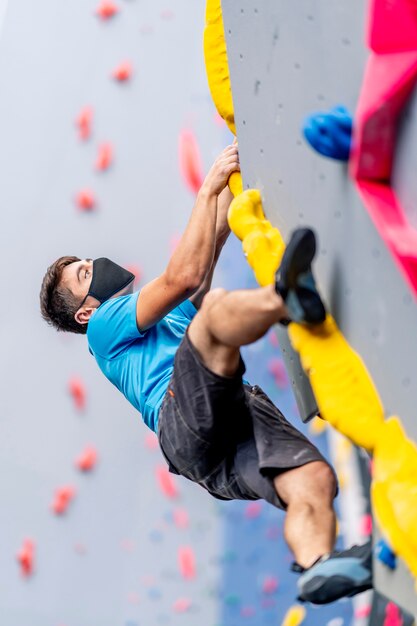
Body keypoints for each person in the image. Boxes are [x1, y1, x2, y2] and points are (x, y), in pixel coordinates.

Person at [40, 144, 372, 604]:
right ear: (83, 313)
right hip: (181, 416)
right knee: (214, 313)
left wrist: (240, 164)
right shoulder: (102, 326)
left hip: (215, 438)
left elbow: (210, 246)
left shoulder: (167, 321)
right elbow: (184, 278)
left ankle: (319, 566)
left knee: (312, 479)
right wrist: (208, 184)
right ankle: (286, 300)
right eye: (83, 273)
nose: (95, 266)